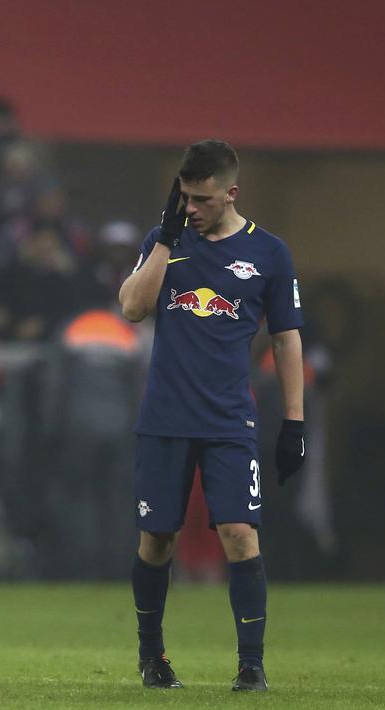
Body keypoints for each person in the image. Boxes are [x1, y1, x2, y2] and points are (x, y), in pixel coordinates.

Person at [118, 140, 305, 693]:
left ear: (232, 193)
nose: (192, 207)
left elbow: (287, 339)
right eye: (184, 197)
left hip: (228, 421)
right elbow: (131, 308)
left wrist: (294, 421)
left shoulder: (269, 253)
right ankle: (152, 658)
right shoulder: (165, 242)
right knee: (157, 539)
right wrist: (165, 243)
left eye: (201, 199)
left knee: (240, 535)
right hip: (165, 418)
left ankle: (251, 666)